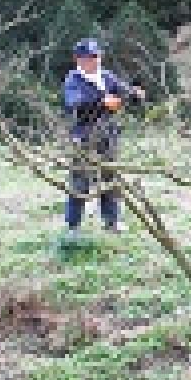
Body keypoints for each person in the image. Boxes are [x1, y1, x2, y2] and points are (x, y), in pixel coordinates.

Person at [63, 38, 145, 236]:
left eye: (96, 56)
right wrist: (102, 102)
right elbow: (75, 104)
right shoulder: (73, 80)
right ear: (78, 60)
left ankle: (112, 222)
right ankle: (73, 227)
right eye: (88, 57)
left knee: (110, 177)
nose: (93, 60)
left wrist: (135, 94)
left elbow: (123, 92)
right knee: (80, 181)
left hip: (108, 134)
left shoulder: (106, 76)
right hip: (84, 136)